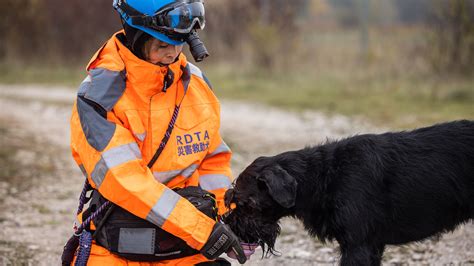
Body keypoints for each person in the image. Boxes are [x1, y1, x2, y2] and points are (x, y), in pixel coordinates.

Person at [66, 0, 254, 265]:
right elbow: (127, 182)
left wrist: (229, 220)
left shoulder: (196, 83)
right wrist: (202, 231)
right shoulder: (98, 98)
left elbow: (213, 162)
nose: (173, 54)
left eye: (179, 44)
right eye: (162, 45)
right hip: (118, 247)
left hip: (184, 245)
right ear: (135, 38)